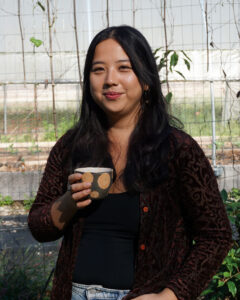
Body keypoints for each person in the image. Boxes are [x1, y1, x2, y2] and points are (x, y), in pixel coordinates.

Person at [28, 25, 232, 300]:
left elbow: (216, 236)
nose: (110, 80)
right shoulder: (71, 146)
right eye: (98, 69)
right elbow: (39, 227)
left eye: (124, 68)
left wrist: (169, 296)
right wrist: (68, 202)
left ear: (146, 80)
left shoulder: (177, 150)